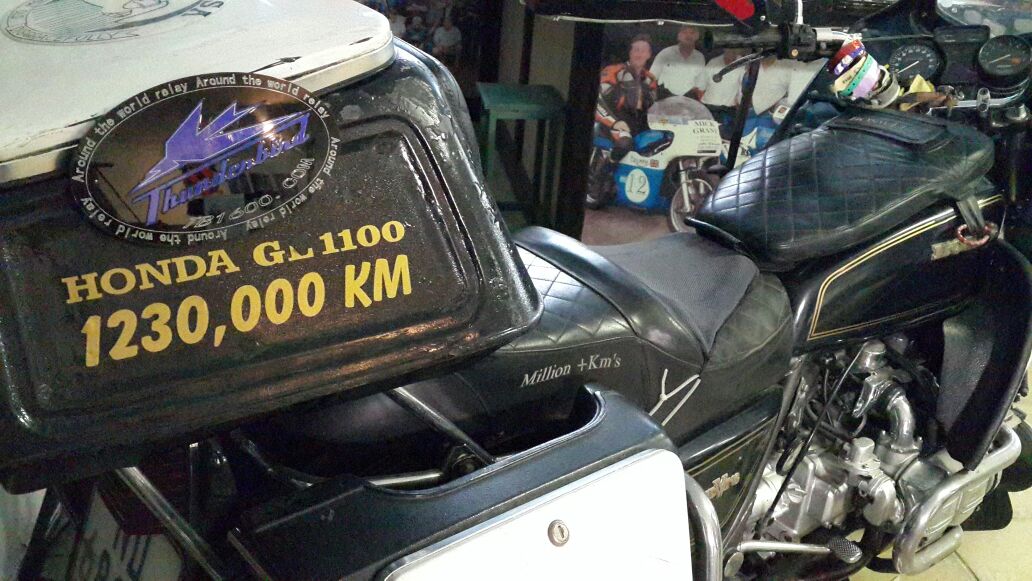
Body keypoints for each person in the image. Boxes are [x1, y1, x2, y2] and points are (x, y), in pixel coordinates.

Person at [589, 35, 658, 208]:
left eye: (643, 50)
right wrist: (614, 122)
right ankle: (598, 182)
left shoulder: (650, 79)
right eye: (636, 49)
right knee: (625, 142)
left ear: (649, 54)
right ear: (630, 52)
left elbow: (655, 107)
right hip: (614, 122)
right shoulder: (613, 71)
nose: (639, 54)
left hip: (639, 125)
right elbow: (596, 100)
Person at [649, 26, 706, 99]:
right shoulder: (665, 53)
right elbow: (651, 77)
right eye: (685, 32)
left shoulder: (700, 57)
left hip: (688, 100)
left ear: (697, 36)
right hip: (665, 98)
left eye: (692, 33)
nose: (688, 36)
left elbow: (700, 86)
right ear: (678, 36)